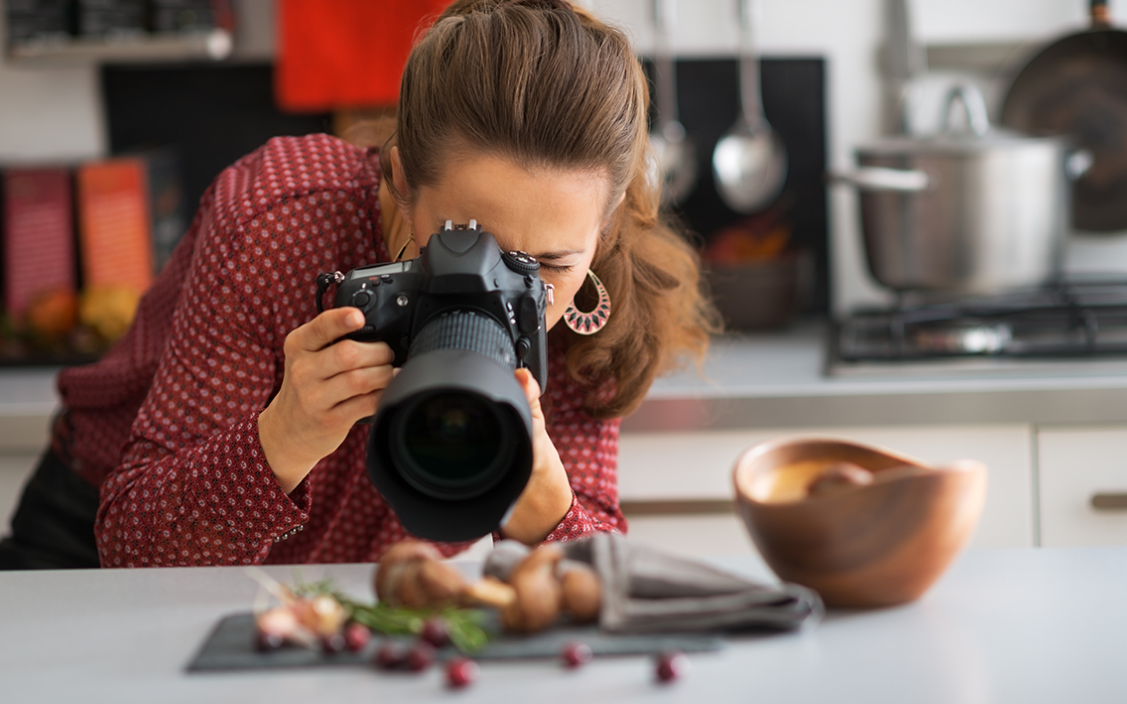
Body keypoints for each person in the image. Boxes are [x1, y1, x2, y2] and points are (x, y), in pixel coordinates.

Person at [0, 0, 718, 570]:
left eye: (549, 265)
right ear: (401, 178)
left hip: (358, 598)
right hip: (86, 552)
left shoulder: (595, 303)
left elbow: (598, 590)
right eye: (463, 243)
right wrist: (280, 436)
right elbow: (135, 553)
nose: (499, 289)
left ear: (606, 224)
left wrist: (549, 518)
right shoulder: (280, 224)